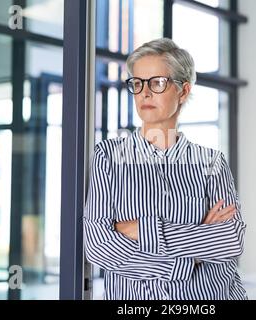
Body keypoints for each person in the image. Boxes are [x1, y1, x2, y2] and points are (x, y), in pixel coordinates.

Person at [83, 38, 247, 300]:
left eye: (157, 83)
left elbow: (230, 240)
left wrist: (142, 228)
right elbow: (99, 247)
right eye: (138, 84)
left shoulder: (212, 162)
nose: (144, 93)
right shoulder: (109, 156)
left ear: (183, 91)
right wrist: (191, 252)